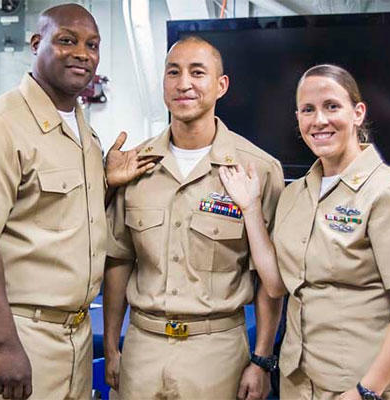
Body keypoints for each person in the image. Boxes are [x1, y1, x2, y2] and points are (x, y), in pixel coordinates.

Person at [0, 4, 154, 399]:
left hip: (73, 335)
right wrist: (5, 345)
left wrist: (105, 182)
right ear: (37, 44)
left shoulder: (84, 134)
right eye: (66, 40)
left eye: (92, 45)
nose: (82, 53)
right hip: (14, 330)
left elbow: (57, 217)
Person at [219, 64, 390, 400]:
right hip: (300, 381)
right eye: (308, 110)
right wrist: (250, 209)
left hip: (364, 384)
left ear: (358, 113)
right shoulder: (296, 194)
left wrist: (366, 390)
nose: (319, 120)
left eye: (331, 106)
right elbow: (276, 284)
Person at [104, 35, 285, 400]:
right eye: (173, 72)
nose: (183, 83)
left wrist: (262, 359)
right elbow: (119, 260)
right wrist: (111, 347)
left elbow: (269, 281)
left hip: (216, 353)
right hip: (143, 349)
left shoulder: (258, 170)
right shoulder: (135, 166)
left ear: (221, 85)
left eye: (197, 72)